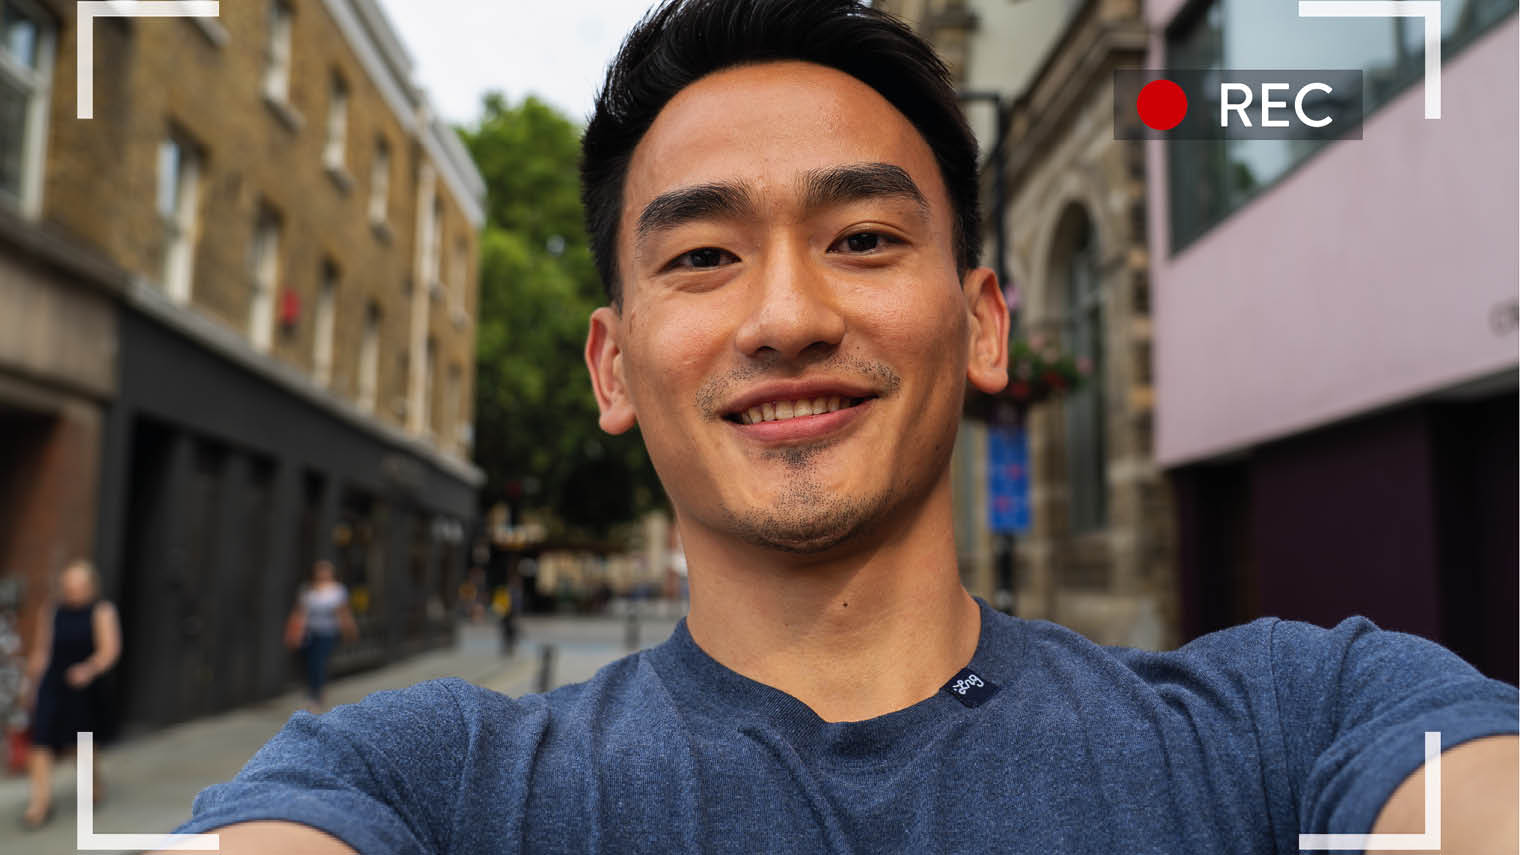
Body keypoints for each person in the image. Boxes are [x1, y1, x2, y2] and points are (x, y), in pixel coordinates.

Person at [170, 1, 1519, 852]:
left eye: (863, 237)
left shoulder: (1297, 722)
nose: (787, 316)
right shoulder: (418, 784)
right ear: (613, 364)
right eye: (702, 256)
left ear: (983, 324)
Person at [22, 560, 121, 830]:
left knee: (81, 743)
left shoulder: (101, 611)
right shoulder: (53, 610)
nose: (72, 591)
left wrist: (89, 669)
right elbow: (42, 651)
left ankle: (92, 786)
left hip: (83, 685)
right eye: (68, 586)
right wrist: (32, 686)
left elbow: (109, 650)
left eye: (78, 585)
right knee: (40, 740)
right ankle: (40, 803)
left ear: (90, 586)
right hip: (53, 682)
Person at [285, 561, 358, 714]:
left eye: (325, 571)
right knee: (309, 662)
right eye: (320, 571)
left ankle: (316, 695)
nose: (322, 574)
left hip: (327, 633)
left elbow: (343, 612)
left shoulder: (337, 591)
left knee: (318, 662)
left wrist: (349, 629)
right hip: (310, 632)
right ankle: (312, 690)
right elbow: (300, 612)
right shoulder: (307, 589)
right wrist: (294, 632)